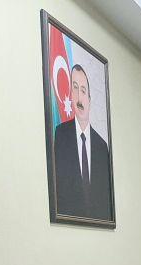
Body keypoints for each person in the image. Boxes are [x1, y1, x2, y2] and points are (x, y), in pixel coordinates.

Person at [53, 64, 112, 220]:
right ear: (71, 95)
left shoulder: (102, 147)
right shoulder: (60, 135)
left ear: (89, 100)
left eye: (83, 91)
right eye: (75, 88)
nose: (79, 97)